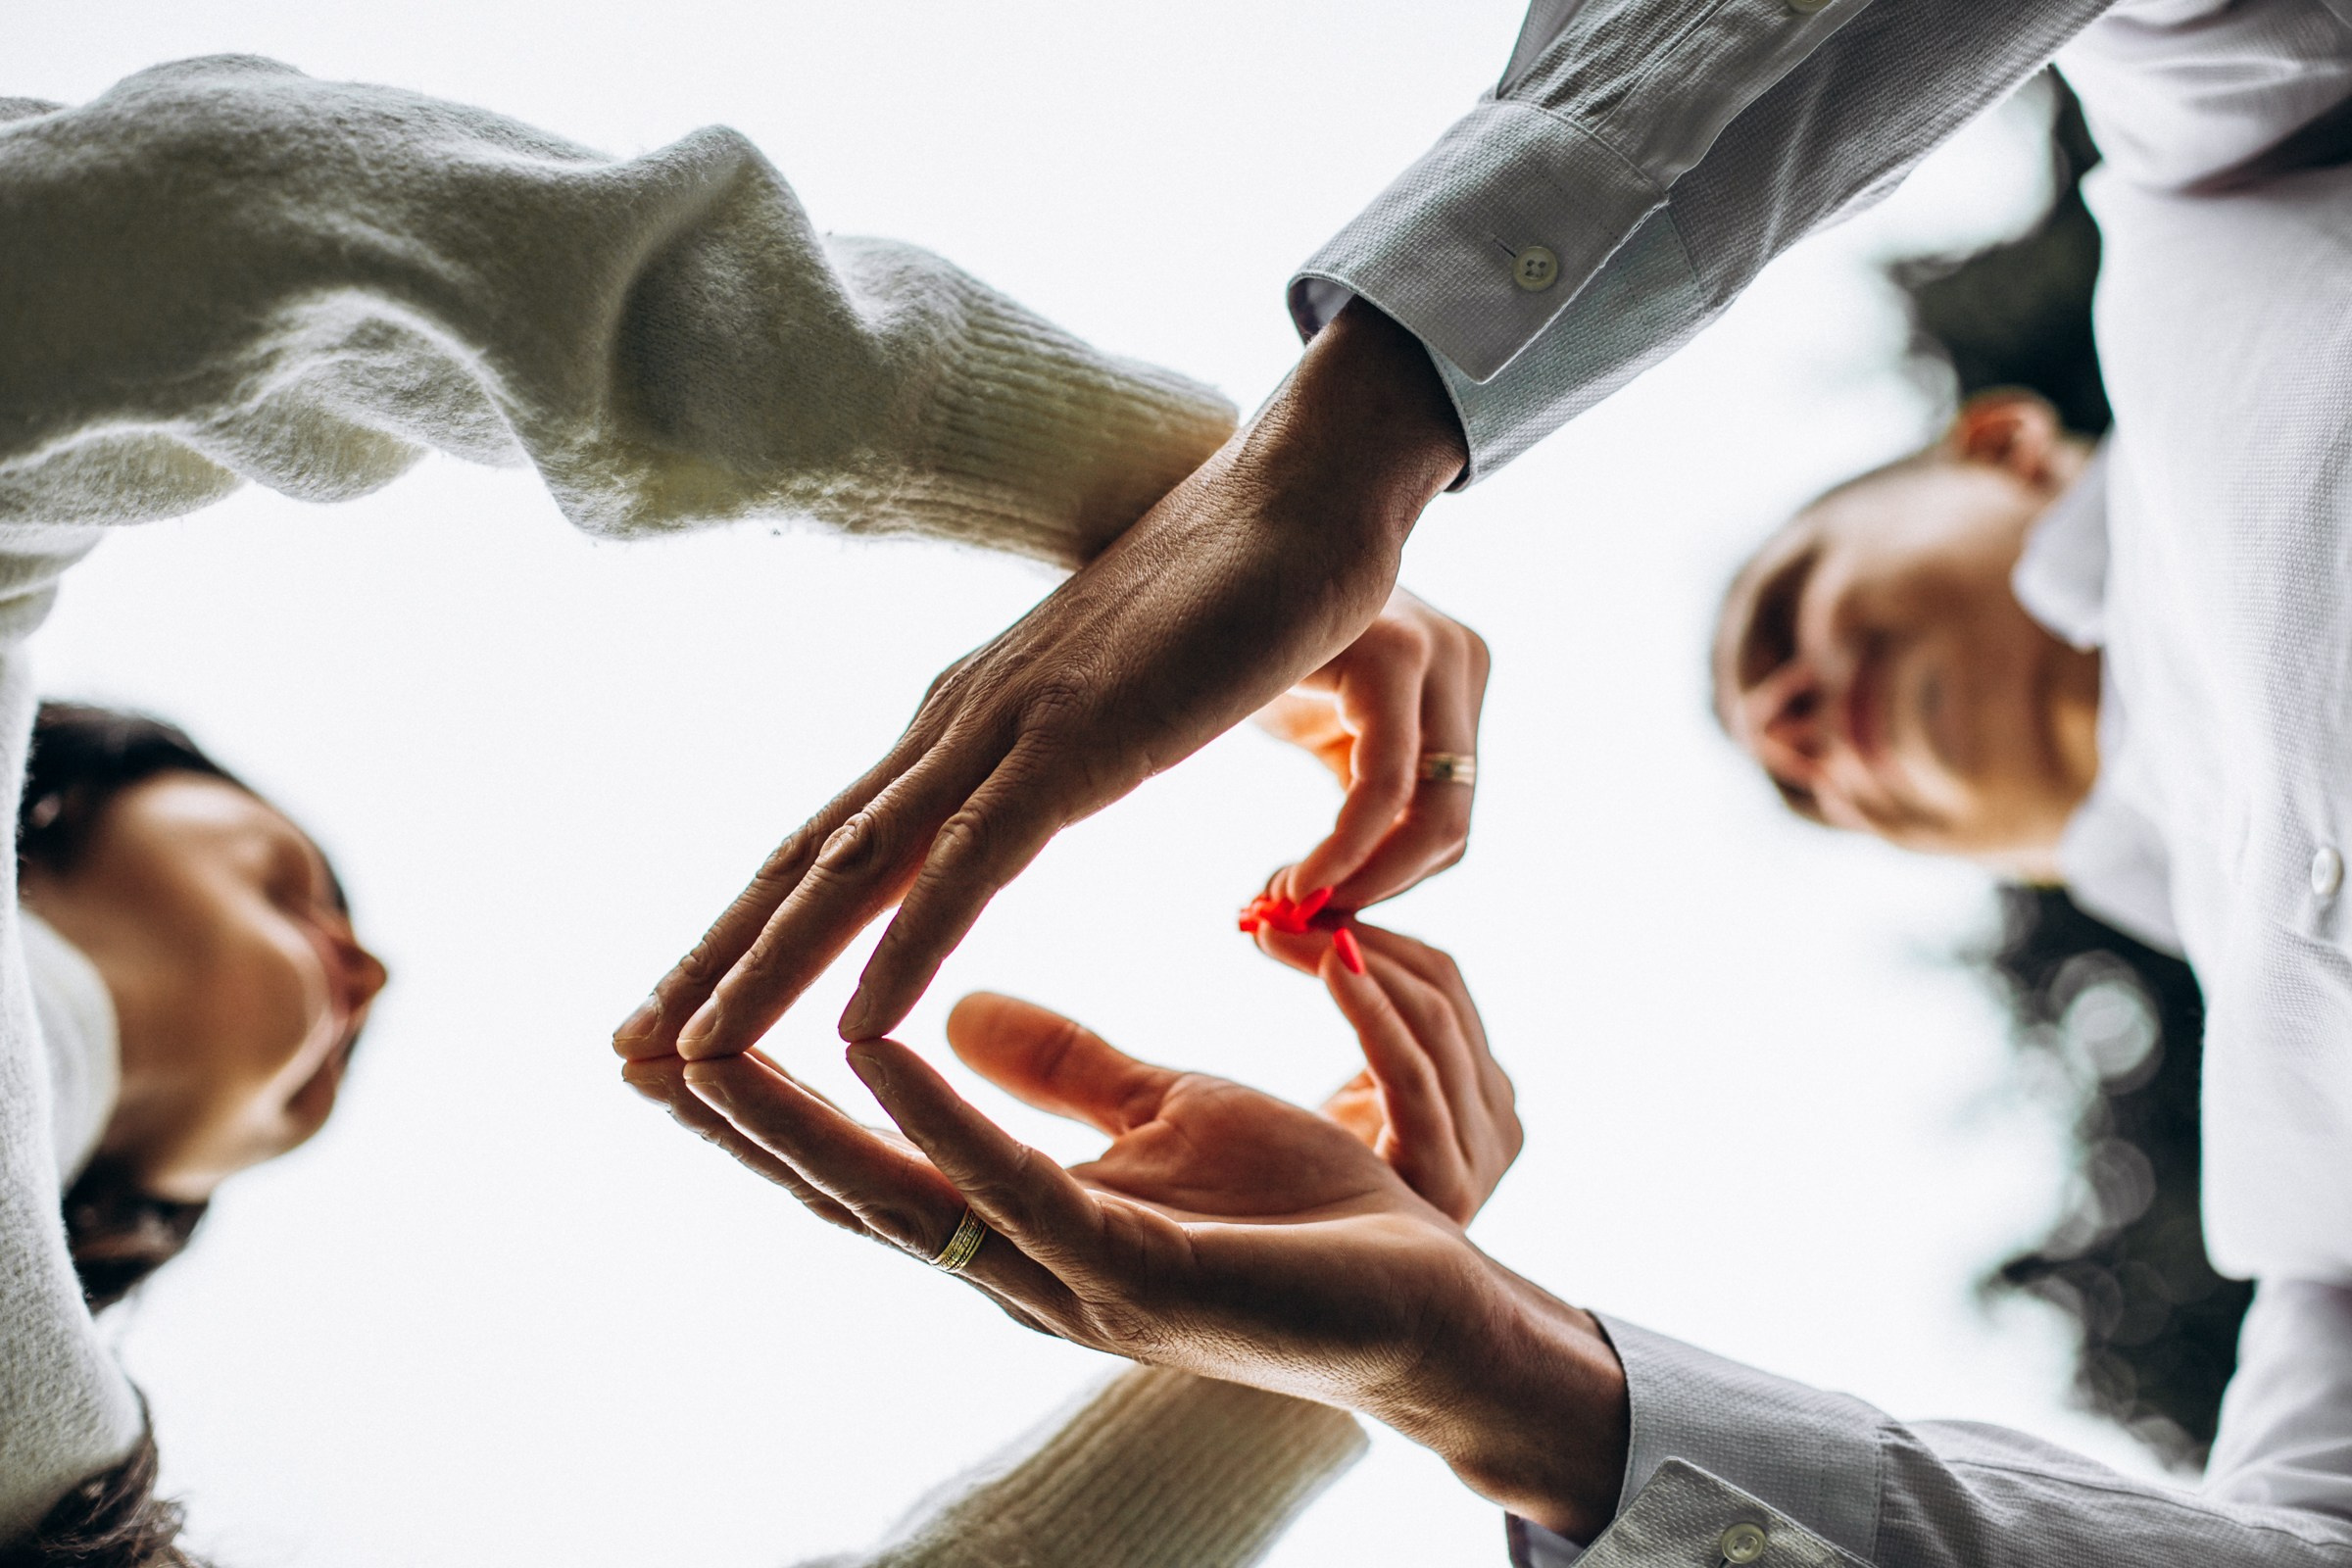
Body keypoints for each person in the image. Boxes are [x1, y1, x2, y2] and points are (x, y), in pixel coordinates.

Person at [627, 16, 2352, 1565]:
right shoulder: (2301, 1200)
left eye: (1789, 616)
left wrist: (1362, 428)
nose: (1806, 718)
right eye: (1809, 784)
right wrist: (1484, 1371)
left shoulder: (2218, 181)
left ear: (1996, 449)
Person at [0, 55, 1489, 1559]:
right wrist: (1177, 495)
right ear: (61, 796)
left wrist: (1292, 1360)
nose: (364, 969)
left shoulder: (60, 1496)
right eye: (287, 873)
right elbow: (180, 224)